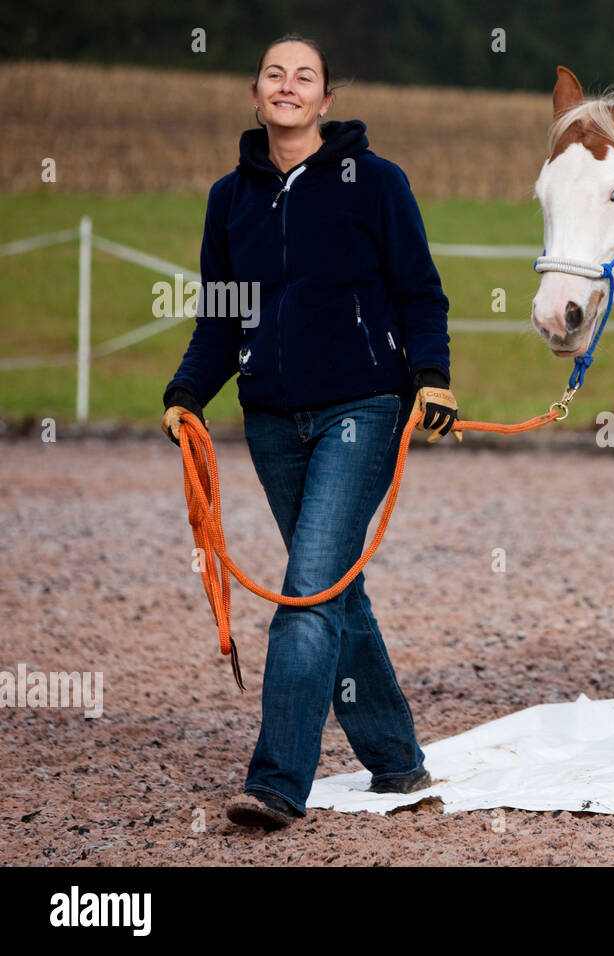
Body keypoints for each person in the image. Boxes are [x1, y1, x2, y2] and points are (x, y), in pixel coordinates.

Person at [161, 34, 456, 830]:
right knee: (334, 589)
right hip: (270, 422)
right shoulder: (231, 200)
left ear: (326, 101)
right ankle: (397, 760)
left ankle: (277, 782)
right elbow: (220, 318)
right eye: (273, 75)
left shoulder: (376, 184)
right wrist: (187, 392)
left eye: (305, 77)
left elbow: (421, 295)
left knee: (307, 593)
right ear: (255, 96)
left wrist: (431, 376)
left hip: (362, 410)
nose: (287, 87)